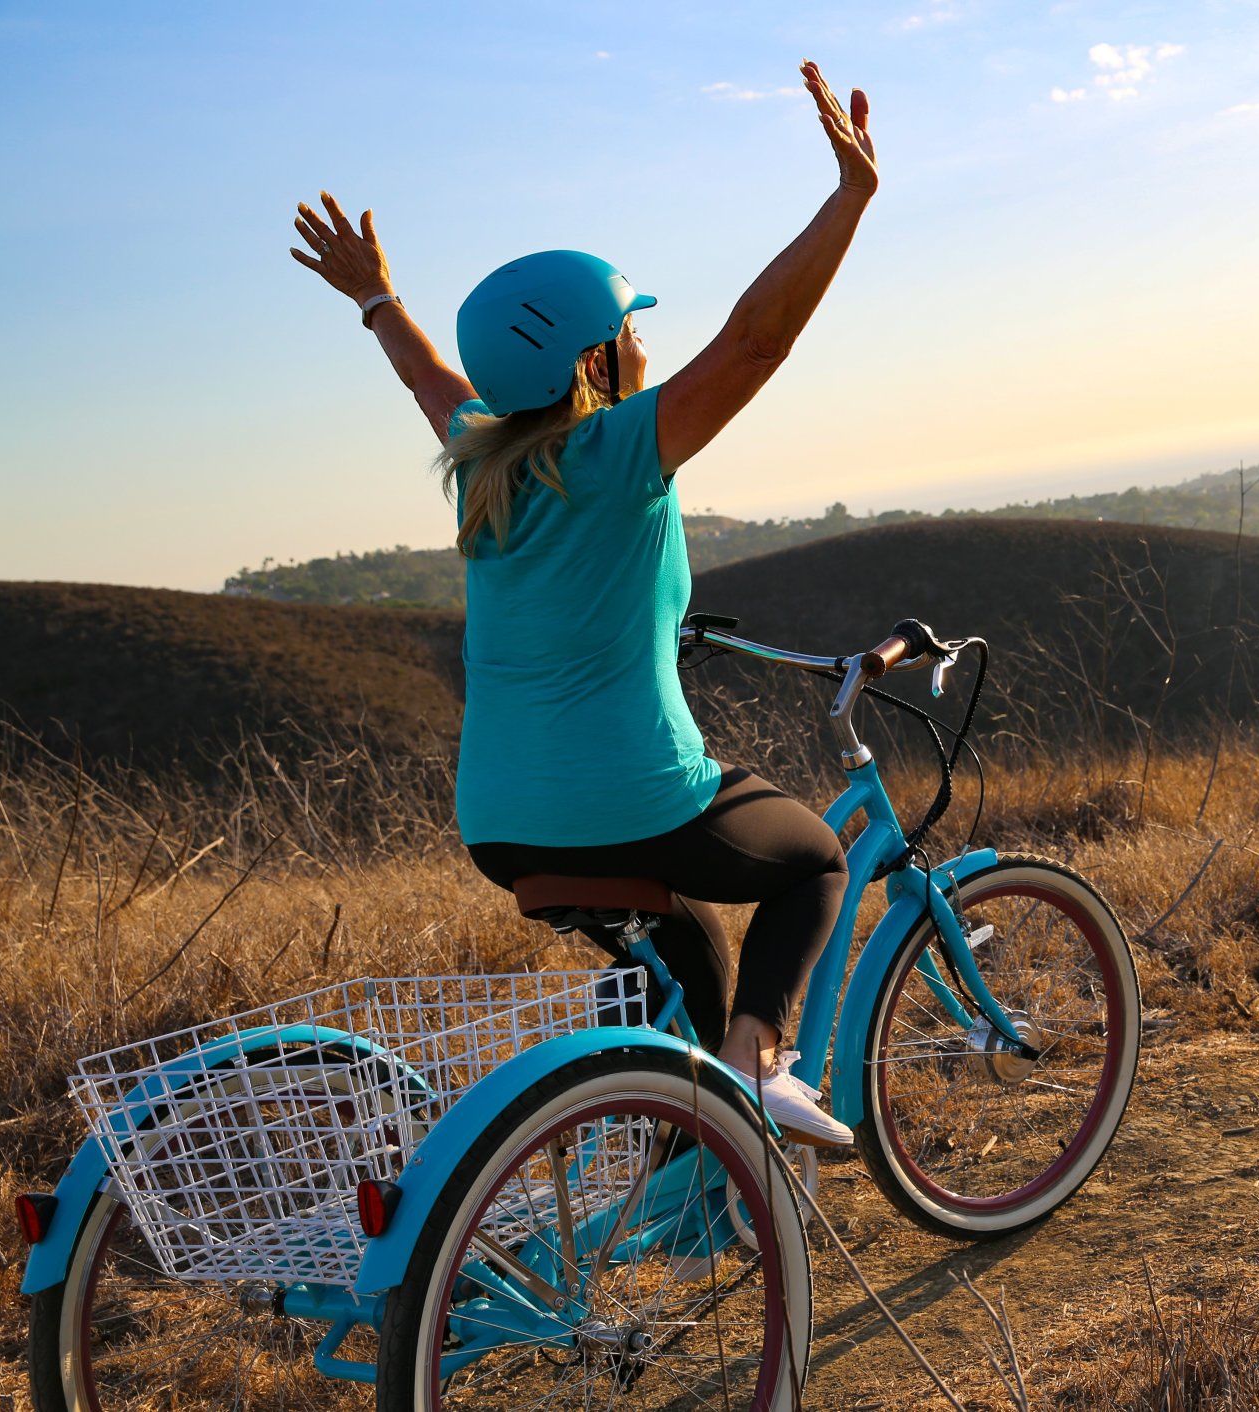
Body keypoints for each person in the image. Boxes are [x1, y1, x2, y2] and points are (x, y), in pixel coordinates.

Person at [289, 60, 877, 1146]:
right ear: (594, 359)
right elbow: (756, 340)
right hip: (633, 795)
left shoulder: (482, 459)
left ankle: (693, 1159)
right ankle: (759, 1067)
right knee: (815, 859)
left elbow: (427, 377)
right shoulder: (619, 448)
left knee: (687, 942)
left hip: (500, 823)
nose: (644, 344)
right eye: (628, 331)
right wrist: (848, 201)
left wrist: (376, 295)